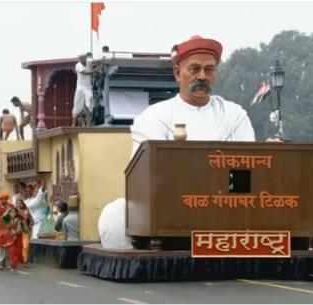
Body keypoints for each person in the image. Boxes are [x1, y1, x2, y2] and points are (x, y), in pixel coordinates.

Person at [98, 35, 256, 250]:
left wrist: (221, 199)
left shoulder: (234, 115)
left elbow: (245, 172)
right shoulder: (155, 116)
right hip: (168, 205)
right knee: (115, 214)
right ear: (177, 73)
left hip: (226, 206)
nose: (202, 76)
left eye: (209, 70)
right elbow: (144, 175)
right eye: (194, 69)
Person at [72, 53, 94, 127]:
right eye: (80, 59)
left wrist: (102, 61)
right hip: (80, 87)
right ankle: (73, 124)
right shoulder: (78, 65)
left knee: (89, 104)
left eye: (83, 58)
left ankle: (88, 124)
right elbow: (86, 73)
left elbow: (96, 62)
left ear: (86, 58)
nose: (82, 60)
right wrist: (97, 70)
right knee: (77, 104)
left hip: (88, 87)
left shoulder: (89, 61)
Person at [0, 192, 14, 269]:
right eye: (1, 199)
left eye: (4, 199)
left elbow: (13, 216)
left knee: (6, 245)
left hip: (8, 228)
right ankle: (1, 261)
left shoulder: (10, 206)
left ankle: (2, 261)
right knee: (0, 245)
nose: (2, 200)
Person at [15, 199, 33, 265]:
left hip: (25, 230)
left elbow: (28, 218)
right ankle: (18, 260)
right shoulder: (13, 210)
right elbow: (7, 219)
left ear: (23, 204)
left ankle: (24, 260)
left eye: (20, 203)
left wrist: (30, 226)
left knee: (25, 246)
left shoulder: (26, 210)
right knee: (17, 246)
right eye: (17, 203)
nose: (19, 204)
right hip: (16, 231)